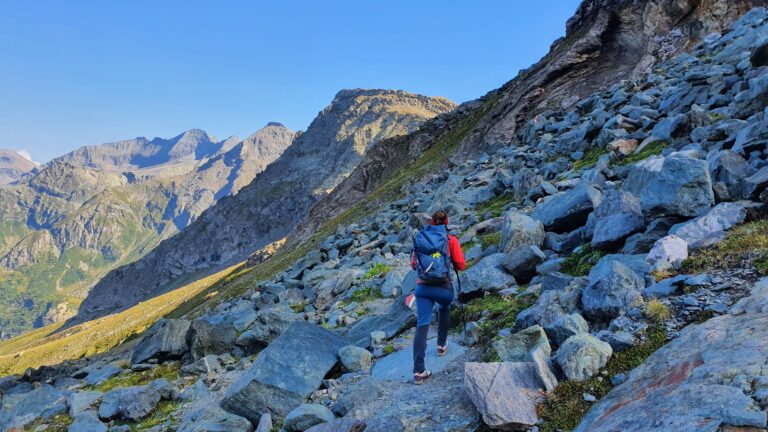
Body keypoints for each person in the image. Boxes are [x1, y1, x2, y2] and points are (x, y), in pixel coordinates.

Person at [410, 209, 466, 384]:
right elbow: (461, 265)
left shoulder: (421, 238)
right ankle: (441, 345)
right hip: (443, 287)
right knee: (444, 308)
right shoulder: (450, 240)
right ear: (446, 222)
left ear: (432, 222)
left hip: (423, 288)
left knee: (422, 324)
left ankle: (419, 371)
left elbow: (413, 264)